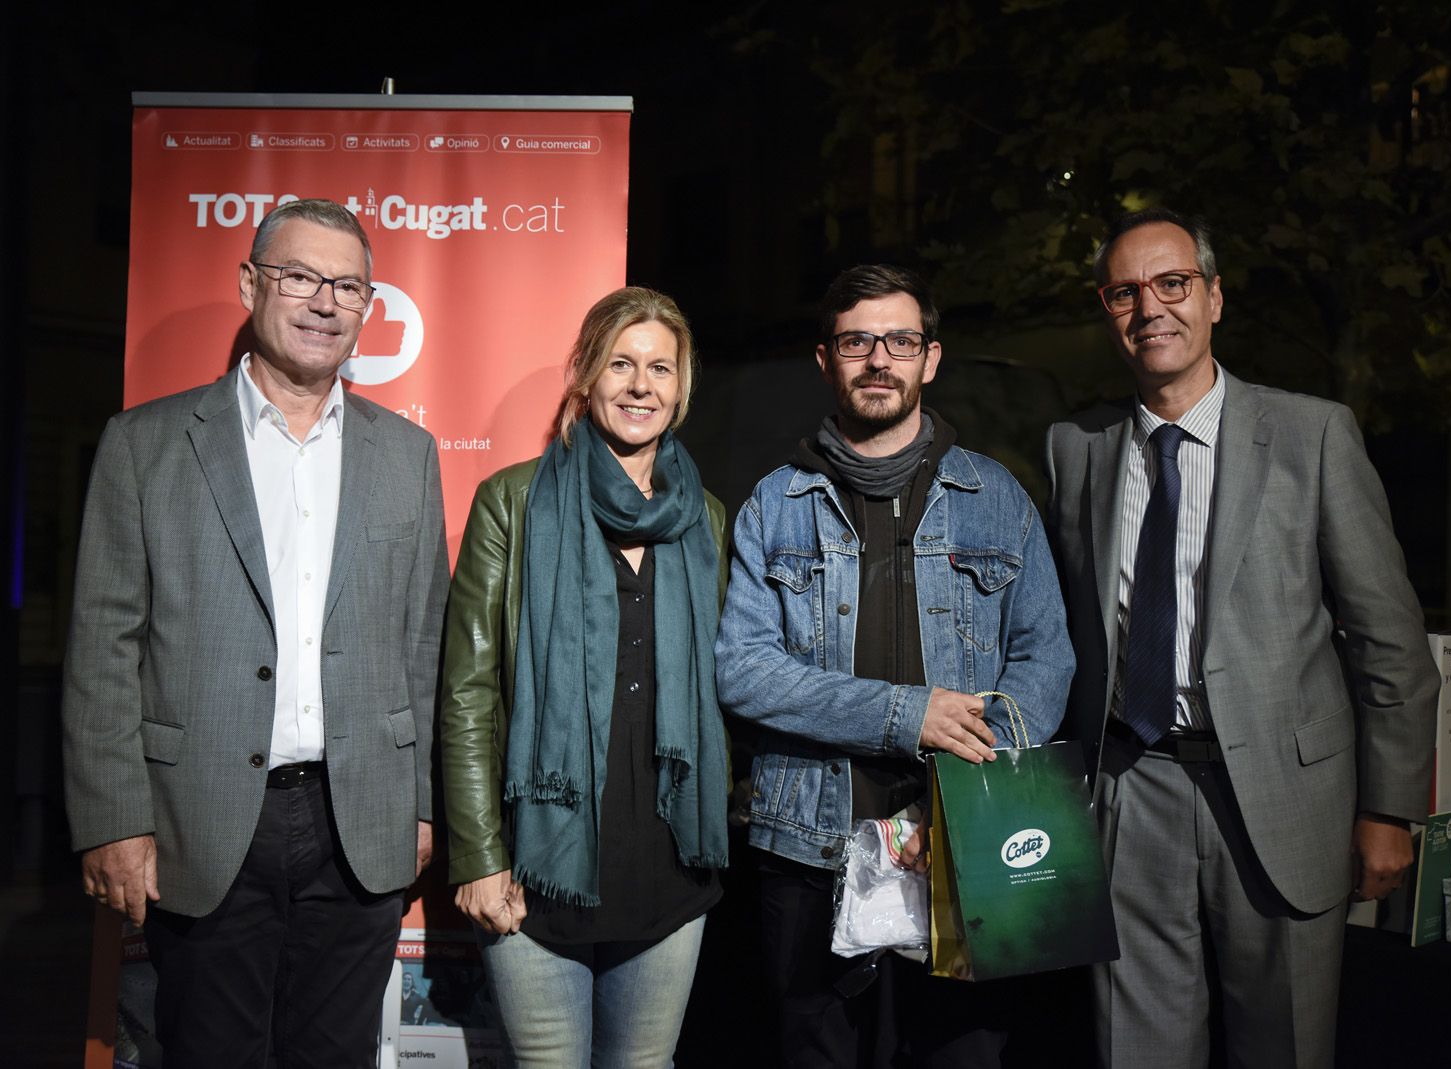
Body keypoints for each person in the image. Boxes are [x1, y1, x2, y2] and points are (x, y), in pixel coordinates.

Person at [1045, 208, 1440, 1068]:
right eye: (1126, 291)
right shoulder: (1075, 448)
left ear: (1214, 297)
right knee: (1133, 1049)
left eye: (1173, 283)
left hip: (1282, 798)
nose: (1151, 307)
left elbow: (1389, 639)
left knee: (1285, 1047)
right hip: (1129, 787)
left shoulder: (1314, 433)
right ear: (1107, 311)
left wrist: (1389, 806)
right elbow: (1066, 631)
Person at [63, 198, 449, 1068]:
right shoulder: (145, 445)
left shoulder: (407, 454)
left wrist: (421, 799)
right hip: (199, 820)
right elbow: (102, 646)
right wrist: (113, 819)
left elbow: (424, 640)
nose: (325, 302)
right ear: (250, 284)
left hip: (360, 823)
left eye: (348, 285)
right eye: (301, 276)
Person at [716, 264, 1074, 1067]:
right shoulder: (775, 504)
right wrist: (907, 713)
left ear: (931, 357)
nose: (880, 358)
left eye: (900, 340)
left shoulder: (998, 498)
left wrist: (958, 797)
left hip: (965, 848)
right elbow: (740, 668)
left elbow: (1046, 659)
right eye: (857, 341)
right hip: (811, 848)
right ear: (825, 359)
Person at [440, 287, 728, 1068]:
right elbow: (468, 691)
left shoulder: (705, 515)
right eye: (621, 363)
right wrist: (478, 854)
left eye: (661, 368)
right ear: (586, 376)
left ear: (681, 386)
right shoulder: (515, 500)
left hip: (668, 865)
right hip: (539, 866)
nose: (641, 385)